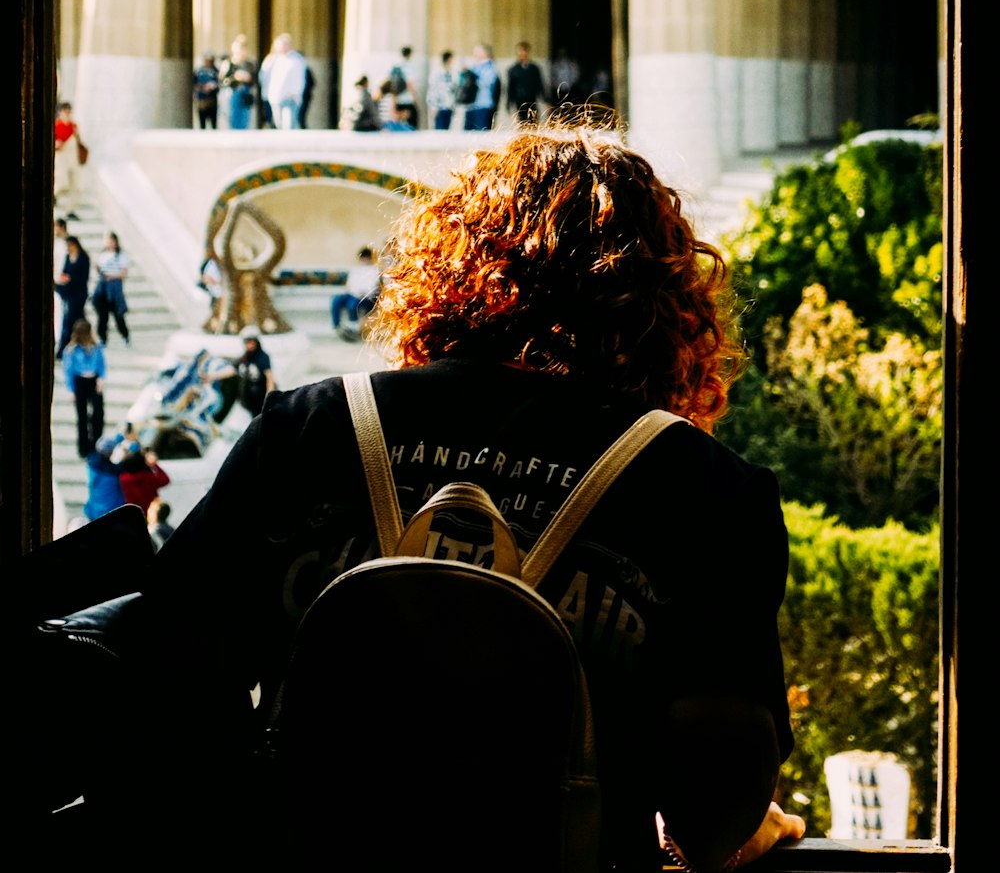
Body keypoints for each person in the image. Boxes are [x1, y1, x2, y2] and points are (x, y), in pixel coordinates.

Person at [146, 128, 804, 867]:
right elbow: (713, 818)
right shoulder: (704, 493)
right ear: (663, 305)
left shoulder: (307, 432)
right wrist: (758, 823)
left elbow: (162, 690)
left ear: (446, 267)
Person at [63, 317, 105, 457]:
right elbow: (68, 372)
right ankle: (84, 447)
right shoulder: (71, 350)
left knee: (98, 414)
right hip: (80, 382)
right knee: (82, 416)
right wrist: (70, 390)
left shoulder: (96, 347)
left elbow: (101, 365)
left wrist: (101, 379)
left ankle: (97, 444)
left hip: (93, 380)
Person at [330, 247, 381, 337]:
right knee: (336, 300)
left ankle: (353, 327)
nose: (364, 260)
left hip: (365, 296)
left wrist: (361, 294)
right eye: (362, 258)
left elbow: (372, 287)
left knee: (353, 304)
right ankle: (336, 325)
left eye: (366, 258)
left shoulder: (375, 270)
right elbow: (349, 285)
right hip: (351, 294)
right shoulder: (355, 270)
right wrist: (350, 292)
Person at [259, 33, 307, 129]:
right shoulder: (272, 59)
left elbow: (299, 78)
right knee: (279, 125)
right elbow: (264, 77)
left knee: (288, 126)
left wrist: (295, 92)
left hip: (290, 98)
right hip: (275, 97)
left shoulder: (296, 60)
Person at [55, 235, 91, 360]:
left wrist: (71, 278)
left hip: (78, 293)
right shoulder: (67, 257)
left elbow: (84, 278)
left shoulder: (83, 258)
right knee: (77, 319)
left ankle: (62, 350)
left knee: (69, 320)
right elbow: (65, 271)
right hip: (68, 292)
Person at [93, 231, 129, 347]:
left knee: (118, 315)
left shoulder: (121, 256)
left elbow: (124, 273)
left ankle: (125, 335)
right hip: (103, 288)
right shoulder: (102, 255)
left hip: (114, 289)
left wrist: (111, 276)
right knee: (103, 316)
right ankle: (102, 337)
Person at [232, 326, 275, 418]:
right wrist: (212, 376)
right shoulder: (244, 357)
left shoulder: (262, 357)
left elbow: (269, 377)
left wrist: (269, 395)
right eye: (247, 342)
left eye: (252, 341)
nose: (250, 344)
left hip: (260, 396)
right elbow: (232, 370)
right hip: (248, 397)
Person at [53, 100, 85, 217]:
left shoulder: (74, 126)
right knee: (62, 182)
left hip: (72, 157)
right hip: (62, 157)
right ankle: (53, 196)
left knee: (74, 184)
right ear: (61, 112)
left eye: (69, 111)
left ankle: (71, 209)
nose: (67, 114)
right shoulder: (56, 125)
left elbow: (78, 140)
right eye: (65, 111)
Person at [218, 35, 257, 130]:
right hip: (232, 93)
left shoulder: (250, 64)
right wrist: (235, 77)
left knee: (245, 120)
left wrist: (248, 78)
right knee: (233, 119)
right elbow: (222, 81)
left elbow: (255, 80)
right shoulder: (228, 64)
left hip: (246, 94)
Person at [506, 41, 546, 124]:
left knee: (533, 121)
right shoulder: (513, 70)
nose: (523, 54)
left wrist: (545, 100)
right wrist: (509, 104)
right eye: (520, 51)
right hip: (519, 101)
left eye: (525, 51)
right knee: (522, 122)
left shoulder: (534, 69)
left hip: (532, 100)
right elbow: (510, 88)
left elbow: (539, 85)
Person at [464, 43, 500, 131]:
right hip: (471, 105)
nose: (474, 54)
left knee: (481, 134)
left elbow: (486, 83)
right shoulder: (475, 66)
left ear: (484, 53)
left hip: (483, 106)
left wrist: (472, 77)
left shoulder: (490, 67)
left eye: (477, 52)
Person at [427, 50, 457, 130]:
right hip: (439, 107)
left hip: (449, 106)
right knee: (439, 131)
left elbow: (453, 90)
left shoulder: (451, 72)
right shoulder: (436, 73)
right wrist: (433, 107)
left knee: (446, 130)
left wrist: (453, 106)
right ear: (449, 59)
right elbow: (432, 90)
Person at [193, 54, 220, 129]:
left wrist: (212, 87)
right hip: (202, 100)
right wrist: (202, 87)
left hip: (212, 100)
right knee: (202, 123)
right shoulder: (199, 71)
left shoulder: (215, 71)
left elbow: (219, 83)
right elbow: (194, 83)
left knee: (213, 122)